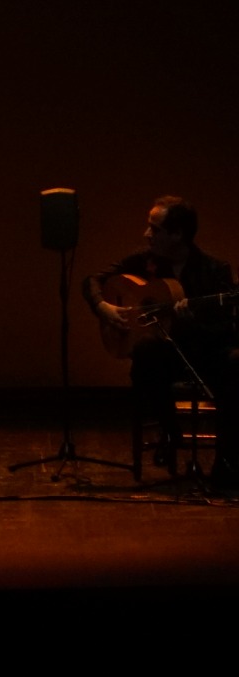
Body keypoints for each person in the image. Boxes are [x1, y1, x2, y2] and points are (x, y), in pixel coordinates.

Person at [83, 195, 239, 490]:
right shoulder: (143, 263)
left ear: (177, 234)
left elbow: (223, 327)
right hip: (167, 358)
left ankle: (228, 464)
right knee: (144, 353)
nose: (147, 234)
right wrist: (102, 306)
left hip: (205, 354)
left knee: (235, 362)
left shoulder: (215, 270)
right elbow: (91, 280)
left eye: (154, 229)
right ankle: (170, 431)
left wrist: (190, 320)